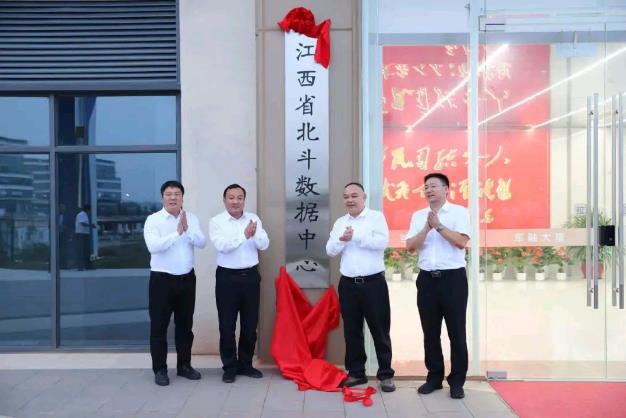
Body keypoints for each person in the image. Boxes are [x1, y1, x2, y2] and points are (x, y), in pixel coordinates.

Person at [325, 182, 396, 393]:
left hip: (373, 283)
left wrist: (354, 237)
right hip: (348, 284)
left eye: (354, 195)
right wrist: (343, 240)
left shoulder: (376, 217)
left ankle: (385, 375)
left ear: (364, 197)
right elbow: (330, 250)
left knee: (380, 329)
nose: (350, 200)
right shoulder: (340, 222)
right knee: (352, 330)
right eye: (346, 196)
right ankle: (356, 372)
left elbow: (381, 243)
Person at [405, 173, 470, 399]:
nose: (429, 190)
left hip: (453, 280)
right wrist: (426, 228)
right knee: (430, 332)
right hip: (427, 280)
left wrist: (439, 226)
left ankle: (457, 382)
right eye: (426, 187)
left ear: (446, 189)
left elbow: (461, 242)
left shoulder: (459, 212)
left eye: (434, 186)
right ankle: (434, 378)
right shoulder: (418, 216)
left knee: (456, 332)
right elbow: (410, 247)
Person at [143, 180, 207, 386]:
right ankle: (160, 369)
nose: (173, 197)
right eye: (169, 194)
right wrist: (176, 233)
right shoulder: (153, 220)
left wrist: (187, 231)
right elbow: (154, 247)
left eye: (177, 194)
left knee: (185, 326)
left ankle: (184, 366)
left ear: (182, 197)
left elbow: (202, 242)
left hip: (186, 279)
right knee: (159, 327)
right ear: (162, 197)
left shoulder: (191, 219)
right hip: (161, 280)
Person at [209, 184, 269, 383]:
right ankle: (229, 367)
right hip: (227, 278)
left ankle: (245, 364)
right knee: (227, 326)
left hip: (250, 277)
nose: (235, 201)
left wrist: (255, 234)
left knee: (250, 324)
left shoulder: (253, 219)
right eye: (231, 197)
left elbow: (264, 244)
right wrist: (244, 235)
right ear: (224, 200)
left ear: (244, 200)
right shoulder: (216, 221)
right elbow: (223, 246)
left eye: (240, 197)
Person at [74, 204, 96, 270]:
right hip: (81, 234)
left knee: (86, 250)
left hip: (85, 234)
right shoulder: (81, 214)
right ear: (88, 209)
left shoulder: (85, 214)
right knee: (81, 250)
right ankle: (80, 266)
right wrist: (91, 225)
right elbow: (82, 223)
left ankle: (88, 266)